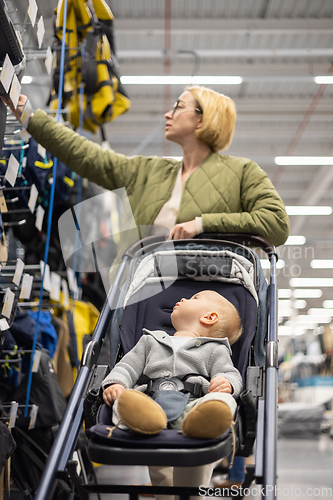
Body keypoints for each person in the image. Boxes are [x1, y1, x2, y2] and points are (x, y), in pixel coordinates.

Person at [2, 86, 290, 249]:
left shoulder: (242, 172)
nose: (168, 113)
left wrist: (202, 224)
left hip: (213, 299)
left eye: (178, 107)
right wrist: (31, 118)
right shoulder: (148, 172)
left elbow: (276, 225)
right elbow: (87, 156)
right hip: (146, 296)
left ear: (202, 120)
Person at [102, 290, 243, 497]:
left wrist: (227, 383)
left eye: (195, 298)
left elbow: (230, 373)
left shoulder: (215, 349)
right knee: (127, 398)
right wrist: (116, 383)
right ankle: (144, 420)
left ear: (209, 317)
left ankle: (208, 419)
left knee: (222, 400)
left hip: (195, 406)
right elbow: (127, 367)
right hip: (151, 403)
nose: (184, 298)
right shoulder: (150, 340)